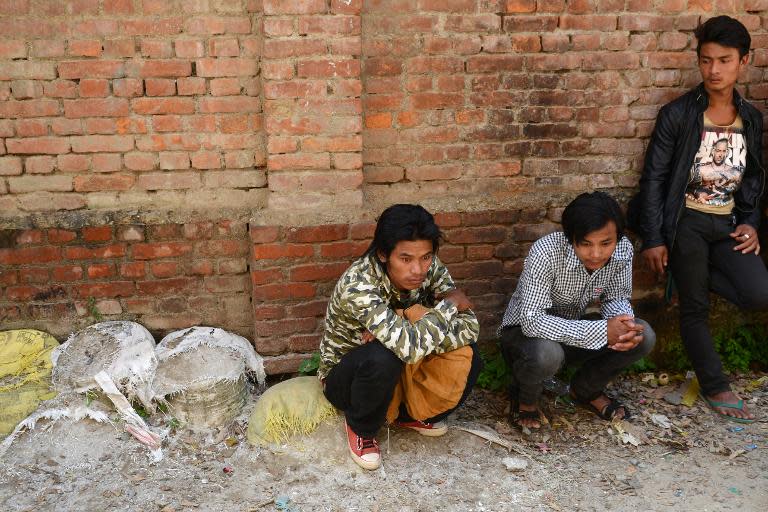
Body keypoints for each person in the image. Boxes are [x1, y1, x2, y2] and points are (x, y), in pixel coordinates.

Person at [635, 15, 767, 423]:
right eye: (706, 60)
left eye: (724, 60)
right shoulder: (677, 115)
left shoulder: (751, 118)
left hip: (727, 225)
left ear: (744, 61)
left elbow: (753, 178)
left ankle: (692, 273)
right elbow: (654, 179)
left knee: (759, 294)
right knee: (694, 308)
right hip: (686, 222)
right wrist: (655, 238)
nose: (714, 70)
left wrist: (751, 223)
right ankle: (715, 385)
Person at [319, 204, 482, 470]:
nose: (418, 270)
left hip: (402, 368)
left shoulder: (431, 268)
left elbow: (471, 327)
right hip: (347, 378)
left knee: (469, 354)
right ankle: (361, 427)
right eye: (405, 259)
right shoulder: (359, 284)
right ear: (384, 254)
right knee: (386, 354)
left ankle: (409, 416)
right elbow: (409, 347)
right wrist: (446, 307)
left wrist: (406, 323)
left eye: (426, 258)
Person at [498, 192, 656, 429]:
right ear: (571, 238)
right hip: (524, 336)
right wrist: (603, 331)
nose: (596, 254)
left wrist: (624, 325)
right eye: (585, 244)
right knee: (547, 354)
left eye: (606, 243)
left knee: (644, 336)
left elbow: (616, 297)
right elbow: (532, 321)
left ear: (618, 237)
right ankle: (526, 400)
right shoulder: (546, 252)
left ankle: (585, 390)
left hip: (573, 329)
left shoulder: (623, 249)